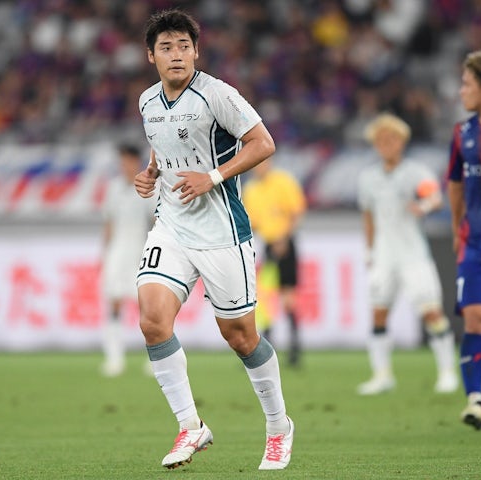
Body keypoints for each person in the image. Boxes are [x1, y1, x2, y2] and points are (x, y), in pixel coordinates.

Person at [133, 9, 293, 471]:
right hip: (172, 226)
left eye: (184, 46)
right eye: (166, 47)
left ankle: (279, 427)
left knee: (240, 336)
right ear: (151, 56)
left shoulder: (217, 94)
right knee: (152, 320)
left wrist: (214, 175)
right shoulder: (146, 102)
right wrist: (150, 174)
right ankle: (190, 425)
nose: (176, 54)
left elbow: (264, 143)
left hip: (223, 231)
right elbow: (163, 149)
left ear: (196, 51)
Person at [356, 112, 458, 396]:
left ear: (402, 141)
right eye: (380, 140)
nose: (386, 144)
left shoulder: (415, 172)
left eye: (391, 139)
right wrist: (369, 251)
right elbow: (368, 218)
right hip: (384, 254)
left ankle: (447, 372)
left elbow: (435, 197)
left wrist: (424, 207)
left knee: (432, 312)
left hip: (413, 254)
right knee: (378, 314)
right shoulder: (368, 177)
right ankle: (382, 374)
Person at [446, 49, 481, 429]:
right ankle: (475, 398)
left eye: (468, 84)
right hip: (474, 242)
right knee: (475, 318)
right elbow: (455, 182)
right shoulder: (463, 134)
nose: (462, 91)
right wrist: (459, 226)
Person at [243, 160, 306, 367]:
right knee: (267, 297)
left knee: (288, 296)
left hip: (286, 243)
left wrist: (284, 237)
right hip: (269, 245)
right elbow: (253, 221)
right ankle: (267, 349)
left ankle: (295, 350)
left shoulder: (282, 181)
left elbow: (296, 211)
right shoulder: (251, 189)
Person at [100, 143, 155, 377]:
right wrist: (105, 253)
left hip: (140, 251)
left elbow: (155, 221)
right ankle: (114, 358)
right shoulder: (113, 188)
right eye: (122, 161)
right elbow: (109, 222)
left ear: (136, 162)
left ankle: (154, 358)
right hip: (117, 253)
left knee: (148, 306)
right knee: (114, 302)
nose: (125, 166)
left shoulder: (147, 187)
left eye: (128, 161)